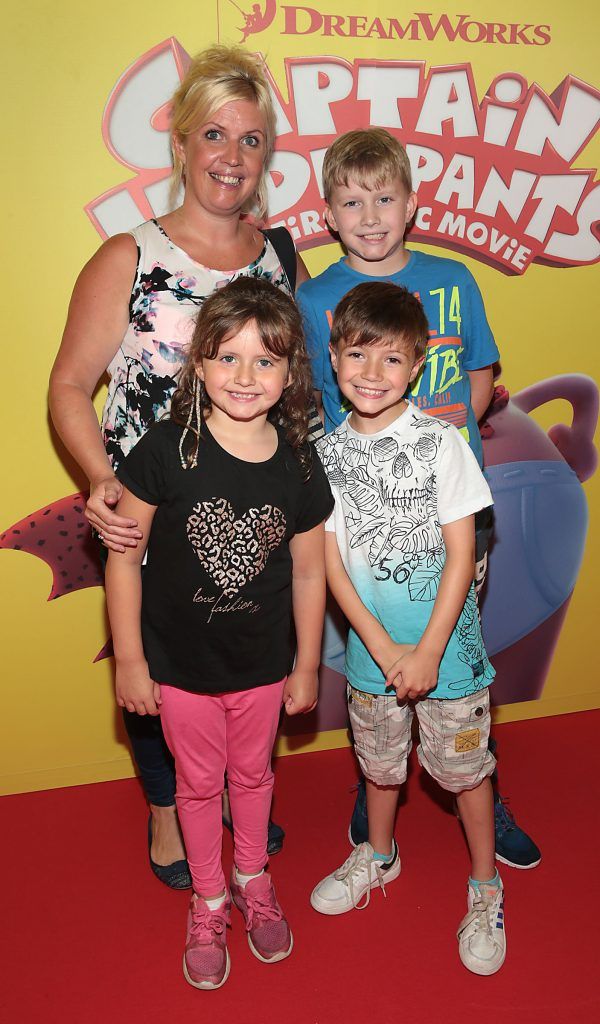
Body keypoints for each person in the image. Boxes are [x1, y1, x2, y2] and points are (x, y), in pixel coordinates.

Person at [49, 45, 321, 887]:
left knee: (240, 645)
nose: (231, 158)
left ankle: (240, 791)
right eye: (214, 134)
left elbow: (306, 380)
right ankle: (167, 809)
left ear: (266, 154)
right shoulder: (129, 256)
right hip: (151, 511)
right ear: (181, 145)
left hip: (255, 505)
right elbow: (67, 386)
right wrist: (105, 483)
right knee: (157, 655)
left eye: (249, 139)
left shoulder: (281, 256)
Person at [297, 127, 540, 870]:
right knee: (377, 665)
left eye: (384, 198)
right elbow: (316, 395)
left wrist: (442, 444)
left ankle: (478, 783)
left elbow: (479, 376)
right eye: (350, 201)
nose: (369, 215)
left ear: (411, 206)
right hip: (366, 522)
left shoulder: (455, 280)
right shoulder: (315, 297)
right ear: (330, 215)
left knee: (456, 662)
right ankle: (379, 782)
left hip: (451, 513)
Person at [105, 277, 333, 989]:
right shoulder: (167, 449)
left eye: (265, 361)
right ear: (198, 364)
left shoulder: (299, 461)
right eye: (227, 358)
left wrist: (305, 667)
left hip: (262, 664)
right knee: (199, 786)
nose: (244, 376)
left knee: (256, 775)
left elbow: (306, 572)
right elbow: (123, 558)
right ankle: (209, 901)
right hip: (179, 666)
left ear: (289, 373)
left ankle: (252, 879)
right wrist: (132, 661)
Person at [311, 281, 506, 976]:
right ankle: (379, 856)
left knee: (465, 773)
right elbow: (331, 566)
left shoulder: (441, 443)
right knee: (380, 765)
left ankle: (485, 884)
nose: (371, 373)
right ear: (333, 358)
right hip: (372, 657)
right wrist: (383, 645)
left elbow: (462, 552)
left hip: (446, 657)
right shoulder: (326, 456)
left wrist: (426, 650)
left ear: (418, 366)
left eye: (391, 360)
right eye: (357, 354)